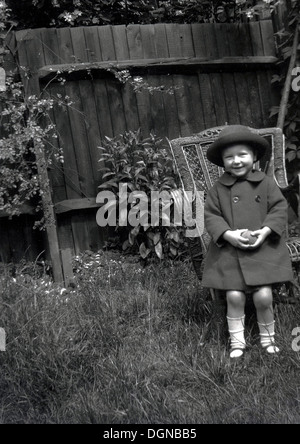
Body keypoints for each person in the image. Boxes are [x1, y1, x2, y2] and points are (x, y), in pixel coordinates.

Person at [201, 125, 294, 359]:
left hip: (262, 248)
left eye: (242, 155)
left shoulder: (265, 183)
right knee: (234, 296)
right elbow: (211, 216)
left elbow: (279, 208)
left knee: (264, 296)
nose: (236, 161)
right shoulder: (217, 189)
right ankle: (237, 341)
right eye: (229, 157)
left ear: (253, 157)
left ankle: (268, 339)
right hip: (230, 252)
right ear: (222, 162)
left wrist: (265, 231)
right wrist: (228, 234)